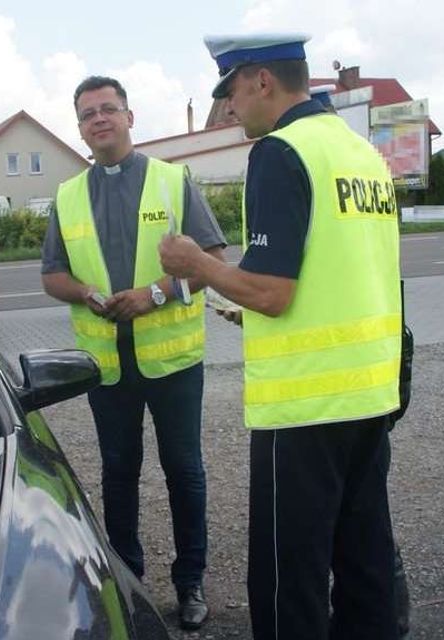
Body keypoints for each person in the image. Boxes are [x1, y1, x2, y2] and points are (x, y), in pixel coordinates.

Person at [159, 35, 402, 639]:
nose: (230, 109)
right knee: (364, 564)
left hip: (304, 409)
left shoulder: (280, 151)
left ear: (261, 80)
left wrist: (199, 265)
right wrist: (250, 304)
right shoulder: (360, 152)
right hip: (369, 397)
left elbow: (273, 291)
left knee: (286, 580)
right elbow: (342, 271)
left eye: (232, 92)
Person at [41, 75, 227, 631]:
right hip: (108, 367)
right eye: (88, 114)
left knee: (183, 471)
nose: (99, 120)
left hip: (172, 362)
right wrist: (89, 294)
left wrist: (156, 293)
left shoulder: (173, 181)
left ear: (129, 116)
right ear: (79, 129)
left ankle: (190, 582)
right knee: (119, 473)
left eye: (108, 109)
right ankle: (127, 580)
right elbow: (53, 274)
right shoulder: (68, 195)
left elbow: (213, 256)